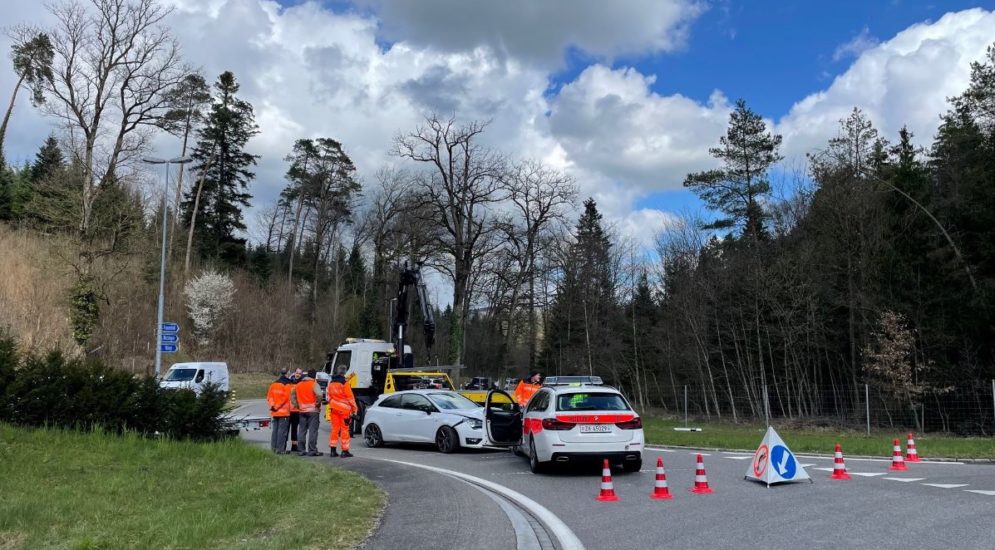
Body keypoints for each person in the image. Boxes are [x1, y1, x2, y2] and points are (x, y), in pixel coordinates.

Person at [326, 373, 358, 457]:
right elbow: (350, 397)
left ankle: (333, 450)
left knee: (335, 429)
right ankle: (345, 451)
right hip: (344, 410)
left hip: (334, 409)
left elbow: (328, 397)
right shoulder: (344, 384)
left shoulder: (331, 384)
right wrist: (355, 408)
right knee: (344, 430)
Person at [296, 369, 323, 456]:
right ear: (314, 376)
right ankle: (312, 450)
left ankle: (301, 450)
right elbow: (319, 395)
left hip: (302, 411)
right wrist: (318, 405)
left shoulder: (299, 385)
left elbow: (292, 395)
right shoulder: (314, 384)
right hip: (313, 411)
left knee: (302, 431)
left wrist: (297, 405)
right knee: (313, 431)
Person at [266, 368, 293, 453]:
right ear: (287, 373)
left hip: (275, 412)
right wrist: (277, 406)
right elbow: (285, 398)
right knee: (282, 432)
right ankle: (280, 450)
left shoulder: (273, 384)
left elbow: (269, 397)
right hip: (284, 413)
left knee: (275, 431)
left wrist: (273, 406)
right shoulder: (288, 384)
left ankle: (273, 448)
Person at [288, 368, 302, 452]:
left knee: (294, 428)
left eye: (299, 374)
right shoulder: (289, 383)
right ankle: (283, 445)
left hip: (296, 410)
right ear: (294, 373)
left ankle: (294, 445)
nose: (298, 375)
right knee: (286, 428)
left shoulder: (301, 384)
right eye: (297, 373)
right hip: (288, 410)